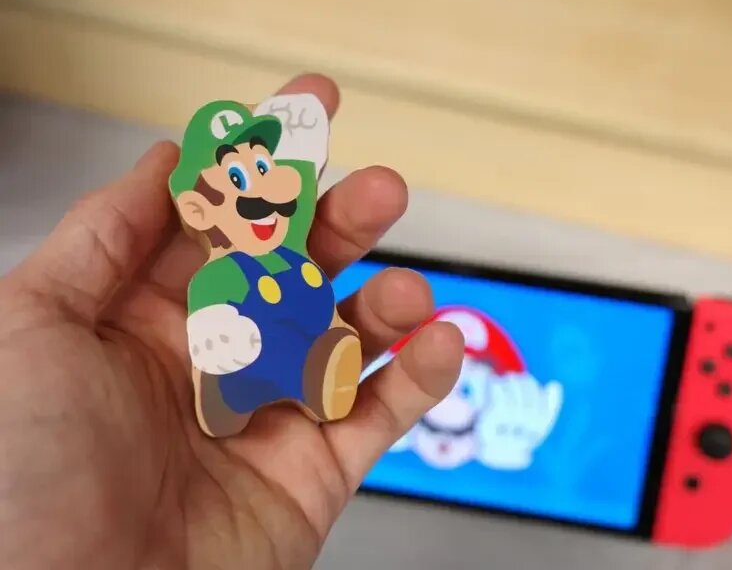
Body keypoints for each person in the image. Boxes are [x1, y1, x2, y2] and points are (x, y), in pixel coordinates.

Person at [0, 74, 465, 569]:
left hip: (304, 340)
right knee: (248, 367)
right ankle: (234, 394)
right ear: (196, 209)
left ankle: (317, 376)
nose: (264, 189)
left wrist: (301, 124)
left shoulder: (293, 245)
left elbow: (299, 173)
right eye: (240, 179)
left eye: (265, 167)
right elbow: (211, 309)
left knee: (315, 350)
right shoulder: (222, 271)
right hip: (245, 356)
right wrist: (218, 335)